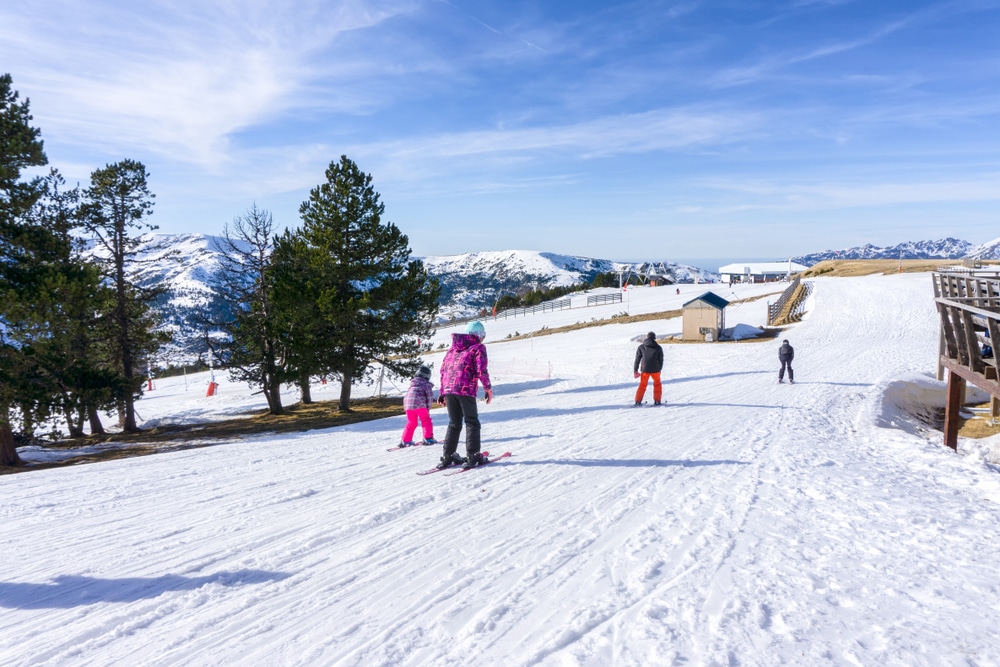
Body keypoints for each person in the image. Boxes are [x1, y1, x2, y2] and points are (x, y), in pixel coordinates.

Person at [436, 321, 494, 469]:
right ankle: (473, 454)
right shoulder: (478, 347)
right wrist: (488, 388)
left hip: (449, 389)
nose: (483, 340)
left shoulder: (452, 349)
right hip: (465, 389)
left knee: (454, 423)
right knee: (471, 421)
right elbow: (481, 370)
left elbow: (443, 371)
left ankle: (447, 456)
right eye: (483, 336)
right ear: (479, 336)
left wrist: (443, 392)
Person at [399, 365, 436, 447]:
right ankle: (428, 438)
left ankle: (405, 440)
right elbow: (429, 397)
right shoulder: (426, 385)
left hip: (408, 405)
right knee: (426, 420)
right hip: (420, 404)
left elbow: (408, 396)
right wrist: (428, 408)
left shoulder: (412, 384)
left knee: (411, 422)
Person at [633, 331, 664, 406]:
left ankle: (638, 401)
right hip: (656, 370)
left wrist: (635, 370)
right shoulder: (658, 347)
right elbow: (661, 359)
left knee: (642, 385)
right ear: (654, 338)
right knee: (657, 385)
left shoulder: (641, 347)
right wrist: (659, 369)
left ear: (647, 337)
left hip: (645, 370)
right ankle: (657, 401)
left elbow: (637, 359)